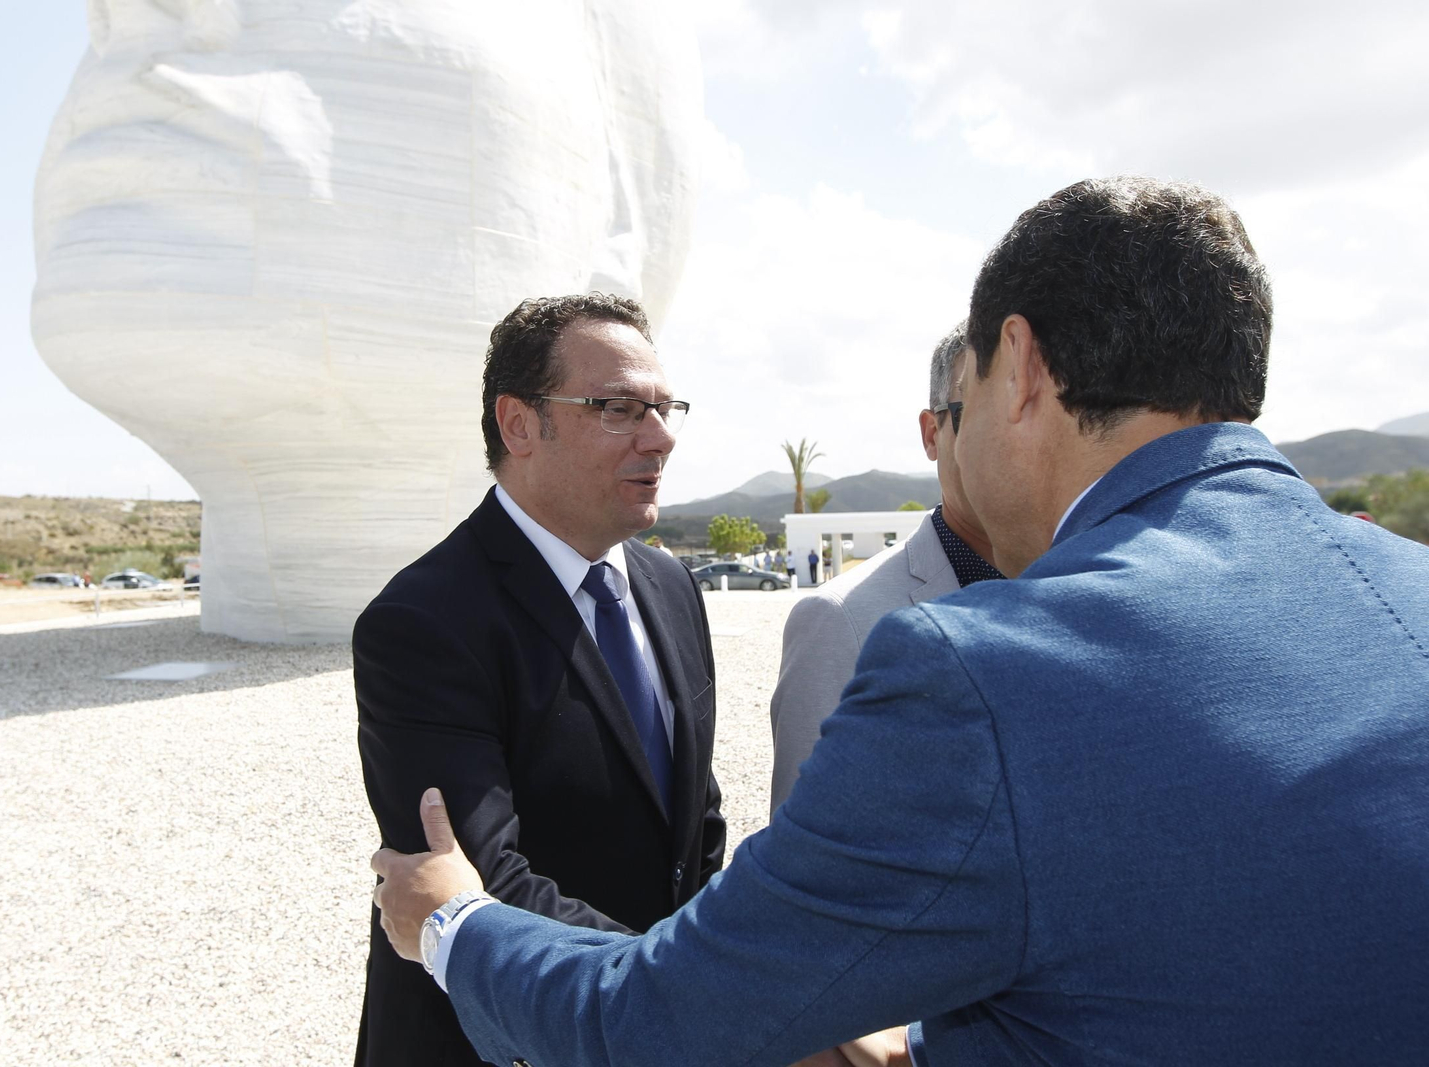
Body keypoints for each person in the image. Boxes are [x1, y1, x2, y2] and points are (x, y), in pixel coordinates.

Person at [368, 177, 1429, 1067]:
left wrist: (452, 923)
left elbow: (658, 1016)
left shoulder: (986, 671)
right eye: (616, 408)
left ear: (1022, 365)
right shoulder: (1408, 589)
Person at [351, 293, 726, 1066]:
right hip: (501, 1041)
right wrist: (688, 991)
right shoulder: (423, 621)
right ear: (519, 424)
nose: (660, 436)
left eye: (664, 407)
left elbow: (697, 827)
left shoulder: (671, 588)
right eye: (618, 408)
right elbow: (483, 879)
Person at [769, 323, 1001, 812]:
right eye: (982, 415)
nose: (1009, 444)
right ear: (932, 433)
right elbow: (810, 848)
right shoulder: (842, 621)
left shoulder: (1093, 584)